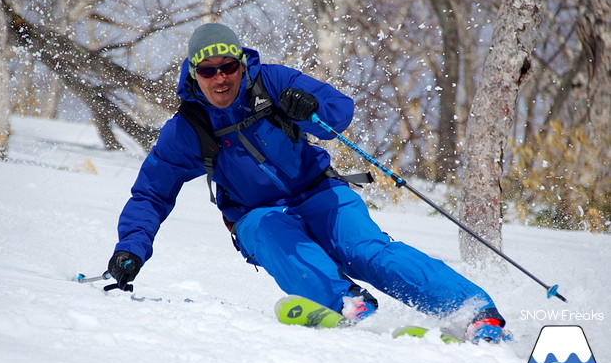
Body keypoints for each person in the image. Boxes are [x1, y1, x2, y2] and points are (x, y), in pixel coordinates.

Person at [108, 23, 511, 343]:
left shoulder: (274, 82)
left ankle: (474, 311)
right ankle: (346, 302)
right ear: (195, 75)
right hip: (256, 214)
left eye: (228, 67)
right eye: (208, 71)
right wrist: (131, 248)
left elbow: (339, 113)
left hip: (320, 192)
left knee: (366, 251)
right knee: (270, 232)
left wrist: (308, 108)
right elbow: (151, 192)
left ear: (241, 65)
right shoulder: (187, 129)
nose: (220, 79)